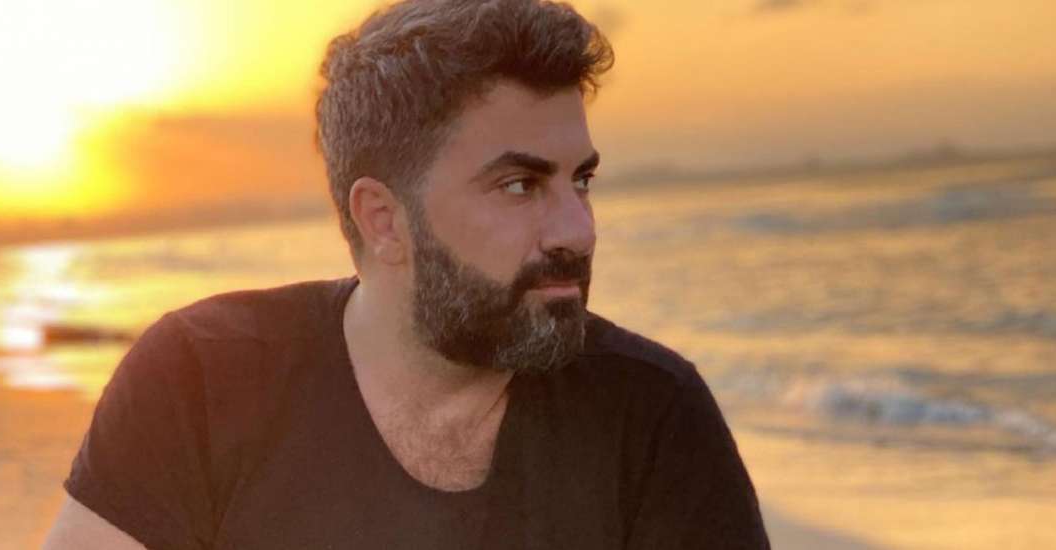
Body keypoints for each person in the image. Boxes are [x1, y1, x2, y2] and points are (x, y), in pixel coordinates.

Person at [43, 0, 769, 548]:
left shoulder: (651, 416)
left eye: (580, 180)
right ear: (383, 220)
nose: (577, 230)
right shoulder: (202, 379)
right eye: (519, 185)